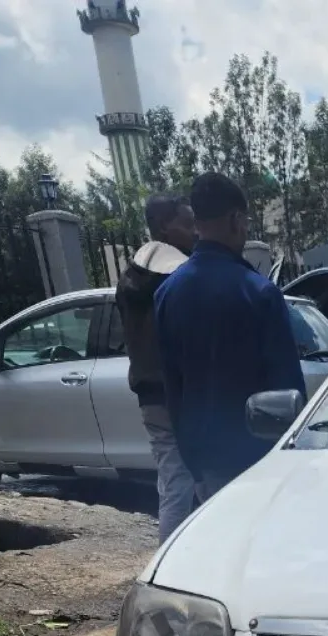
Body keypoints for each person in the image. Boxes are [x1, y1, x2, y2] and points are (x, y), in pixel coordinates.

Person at [154, 173, 304, 503]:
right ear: (236, 219)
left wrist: (195, 469)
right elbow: (288, 389)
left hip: (207, 466)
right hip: (261, 462)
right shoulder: (259, 292)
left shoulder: (166, 294)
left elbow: (173, 390)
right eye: (246, 221)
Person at [115, 194, 197, 542]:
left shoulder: (130, 278)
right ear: (165, 225)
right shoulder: (178, 276)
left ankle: (171, 559)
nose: (195, 232)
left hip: (149, 396)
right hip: (182, 393)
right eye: (187, 224)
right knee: (208, 478)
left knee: (174, 482)